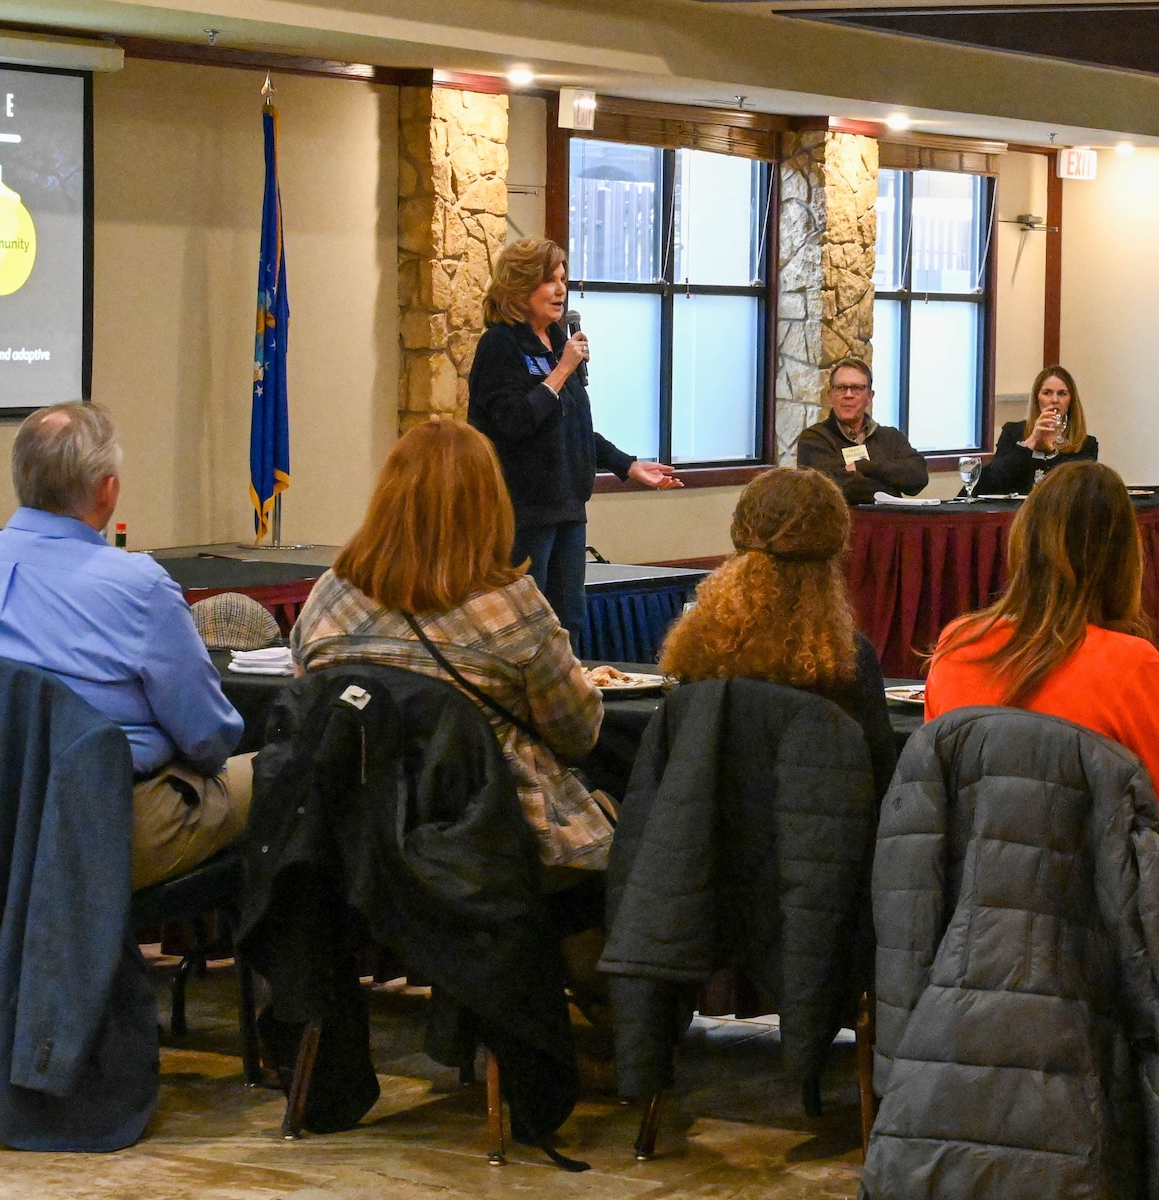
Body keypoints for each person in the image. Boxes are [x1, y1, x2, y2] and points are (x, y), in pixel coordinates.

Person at [925, 460, 1159, 1039]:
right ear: (1123, 560)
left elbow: (939, 799)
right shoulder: (1130, 663)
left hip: (974, 906)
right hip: (1097, 919)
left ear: (1023, 539)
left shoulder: (956, 647)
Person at [0, 401, 250, 889]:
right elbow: (208, 740)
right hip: (94, 830)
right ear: (108, 490)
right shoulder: (139, 586)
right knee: (280, 774)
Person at [291, 419, 617, 879]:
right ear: (491, 503)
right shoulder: (512, 605)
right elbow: (578, 733)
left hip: (349, 839)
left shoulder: (330, 595)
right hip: (492, 846)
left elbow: (309, 700)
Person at [466, 237, 681, 644]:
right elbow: (512, 422)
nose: (561, 290)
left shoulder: (556, 343)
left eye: (563, 279)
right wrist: (562, 370)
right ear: (518, 286)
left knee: (569, 624)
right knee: (526, 627)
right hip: (523, 512)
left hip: (568, 507)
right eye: (549, 281)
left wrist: (627, 465)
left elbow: (574, 426)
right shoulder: (501, 345)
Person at [658, 466, 897, 795]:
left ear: (739, 531)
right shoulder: (849, 659)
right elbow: (880, 780)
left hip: (705, 834)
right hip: (822, 833)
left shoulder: (701, 646)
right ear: (835, 545)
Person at [793, 358, 928, 506]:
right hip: (837, 527)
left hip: (889, 525)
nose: (848, 395)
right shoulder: (814, 439)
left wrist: (863, 467)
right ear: (830, 395)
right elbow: (842, 487)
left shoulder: (891, 438)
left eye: (857, 388)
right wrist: (892, 490)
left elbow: (918, 476)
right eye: (841, 388)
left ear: (870, 396)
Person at [971, 365, 1100, 496]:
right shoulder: (1013, 432)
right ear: (1037, 398)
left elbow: (1080, 490)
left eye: (1062, 393)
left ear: (1071, 400)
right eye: (1047, 393)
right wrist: (1031, 441)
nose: (1054, 400)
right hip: (1016, 512)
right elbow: (997, 480)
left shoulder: (1086, 444)